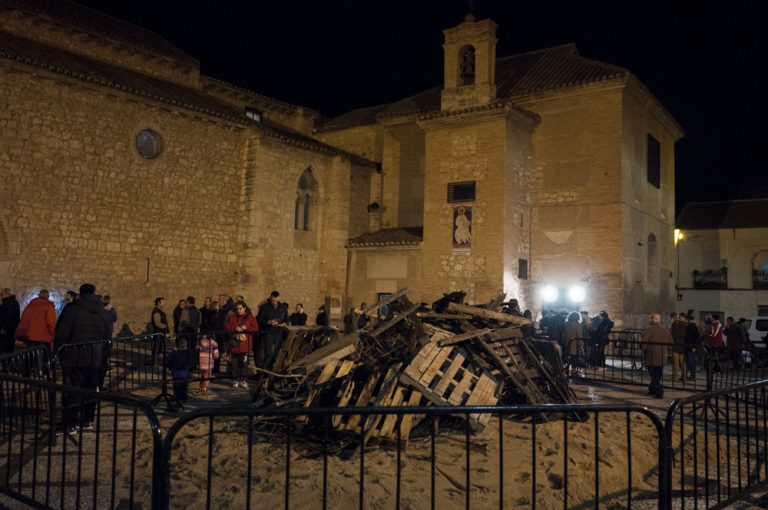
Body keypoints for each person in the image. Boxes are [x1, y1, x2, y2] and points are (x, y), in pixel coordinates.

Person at [54, 283, 110, 432]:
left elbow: (61, 333)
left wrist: (58, 352)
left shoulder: (72, 309)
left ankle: (71, 422)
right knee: (90, 388)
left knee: (73, 388)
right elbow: (107, 334)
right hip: (95, 356)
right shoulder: (102, 311)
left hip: (74, 356)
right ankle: (88, 420)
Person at [226, 300, 257, 388]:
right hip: (234, 345)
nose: (238, 310)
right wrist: (235, 328)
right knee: (234, 363)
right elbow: (227, 327)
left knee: (244, 364)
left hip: (244, 345)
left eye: (240, 308)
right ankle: (235, 380)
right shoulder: (233, 318)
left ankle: (243, 380)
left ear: (244, 308)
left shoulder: (250, 318)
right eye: (237, 309)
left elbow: (255, 328)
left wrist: (246, 328)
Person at [641, 313, 672, 398]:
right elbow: (671, 343)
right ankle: (652, 389)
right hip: (662, 357)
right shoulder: (666, 331)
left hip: (651, 357)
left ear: (651, 320)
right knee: (657, 375)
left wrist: (643, 348)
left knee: (654, 376)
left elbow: (644, 344)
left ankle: (659, 392)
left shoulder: (648, 330)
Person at [255, 291, 287, 367]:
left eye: (276, 300)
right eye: (273, 301)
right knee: (268, 353)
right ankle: (266, 370)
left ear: (278, 298)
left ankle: (274, 368)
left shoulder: (283, 307)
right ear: (270, 298)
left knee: (277, 353)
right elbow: (259, 318)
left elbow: (287, 318)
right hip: (268, 332)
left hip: (279, 333)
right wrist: (268, 322)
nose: (274, 302)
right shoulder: (264, 307)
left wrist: (284, 323)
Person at [149, 297, 170, 364]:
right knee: (157, 348)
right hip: (158, 333)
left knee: (159, 348)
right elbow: (157, 323)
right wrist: (165, 327)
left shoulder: (159, 311)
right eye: (162, 302)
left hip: (160, 333)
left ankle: (155, 362)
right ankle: (155, 363)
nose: (164, 304)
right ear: (158, 303)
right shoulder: (156, 312)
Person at [564, 311, 585, 376]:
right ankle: (574, 369)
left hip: (567, 342)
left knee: (568, 356)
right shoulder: (578, 325)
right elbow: (579, 336)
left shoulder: (566, 324)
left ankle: (566, 368)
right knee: (575, 357)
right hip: (575, 343)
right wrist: (581, 345)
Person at [0, 288, 21, 353]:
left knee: (6, 349)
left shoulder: (10, 304)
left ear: (8, 294)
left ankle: (6, 362)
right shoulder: (10, 303)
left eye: (2, 294)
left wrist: (4, 328)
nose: (1, 296)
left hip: (7, 331)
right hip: (9, 330)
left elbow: (9, 318)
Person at [669, 313, 688, 383]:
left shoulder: (674, 325)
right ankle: (684, 378)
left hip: (676, 345)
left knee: (676, 363)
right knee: (683, 363)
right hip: (682, 345)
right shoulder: (685, 325)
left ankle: (675, 378)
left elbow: (673, 335)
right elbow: (685, 335)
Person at [685, 312, 701, 378]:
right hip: (689, 346)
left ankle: (692, 375)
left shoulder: (692, 327)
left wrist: (695, 346)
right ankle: (690, 374)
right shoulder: (691, 326)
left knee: (691, 361)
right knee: (689, 361)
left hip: (690, 346)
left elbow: (696, 337)